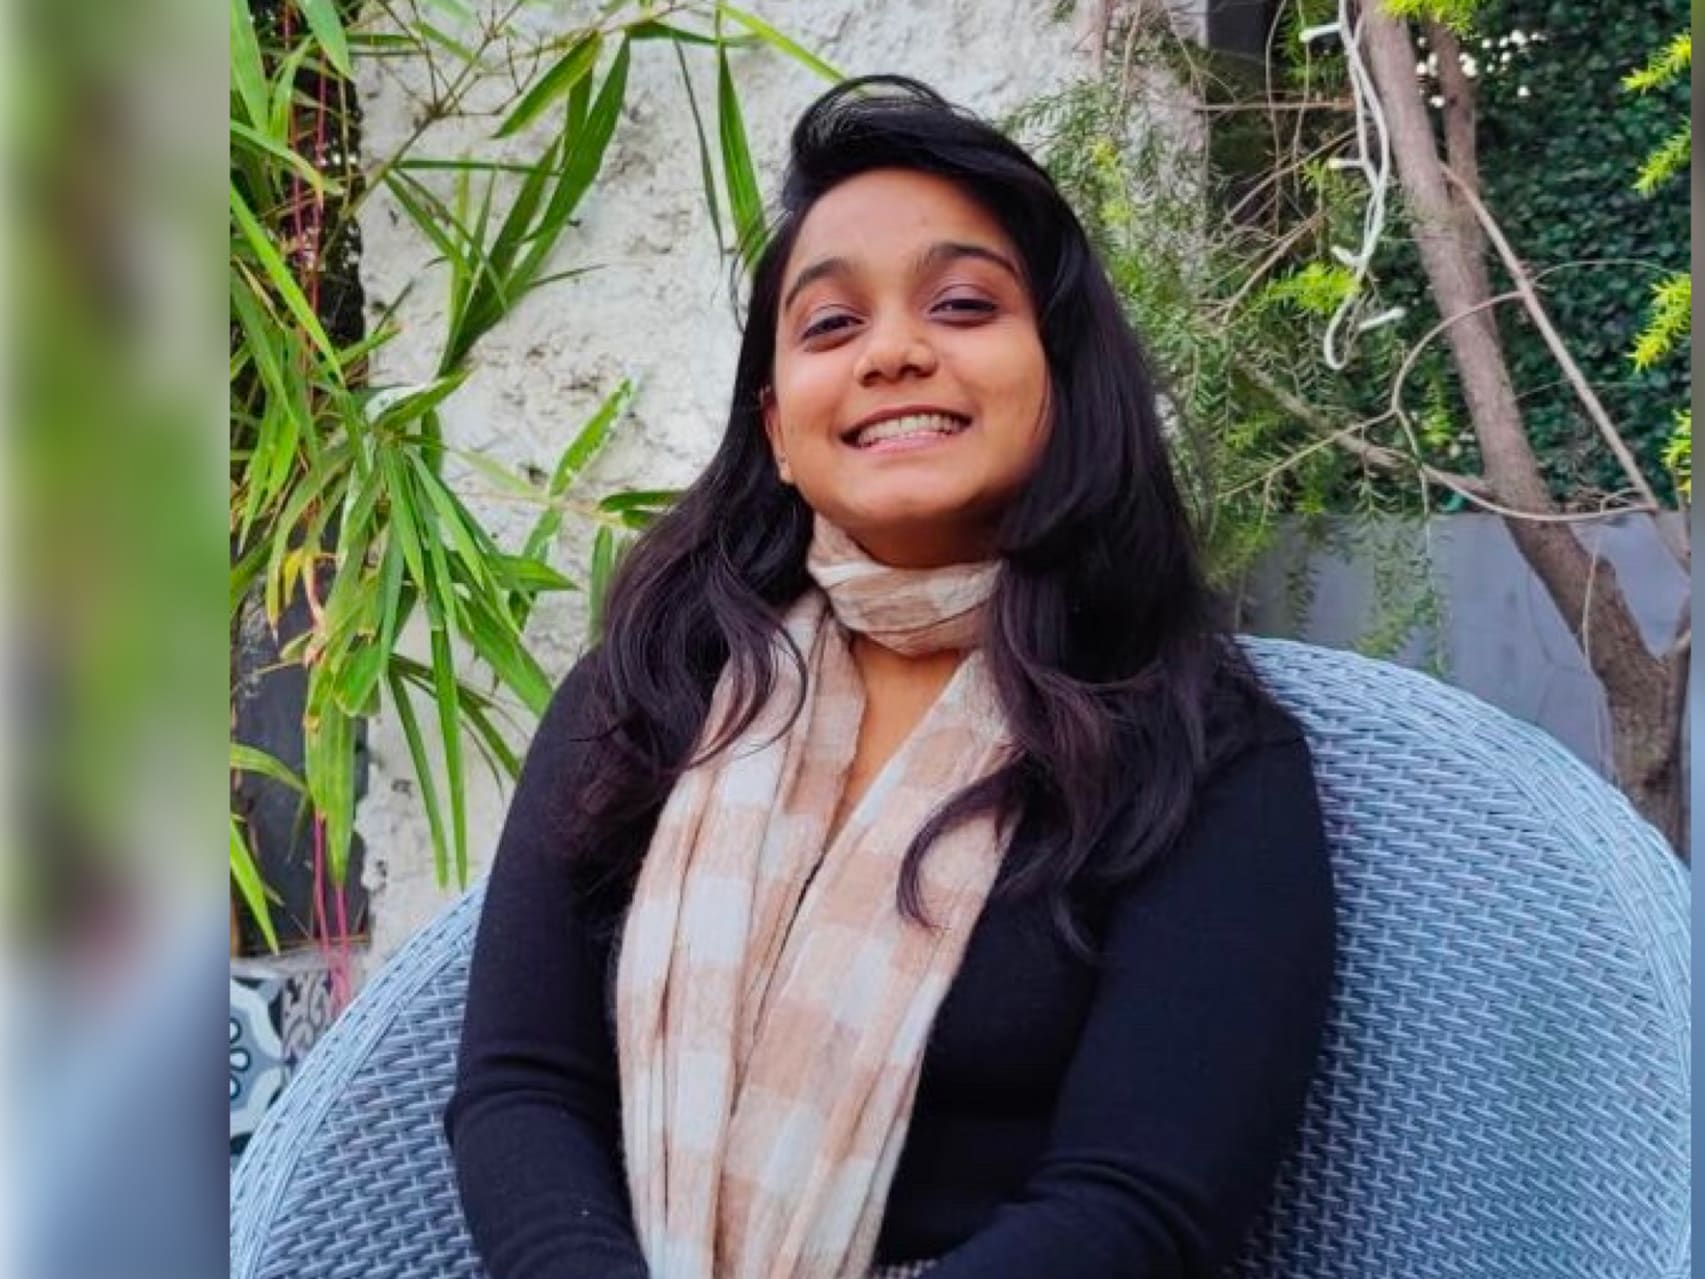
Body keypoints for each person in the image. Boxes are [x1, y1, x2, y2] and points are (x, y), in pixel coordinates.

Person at [444, 76, 1334, 1279]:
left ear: (1059, 373)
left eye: (963, 304)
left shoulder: (1196, 745)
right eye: (829, 325)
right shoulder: (653, 687)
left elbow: (1140, 1207)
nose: (896, 352)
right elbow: (521, 1084)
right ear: (776, 424)